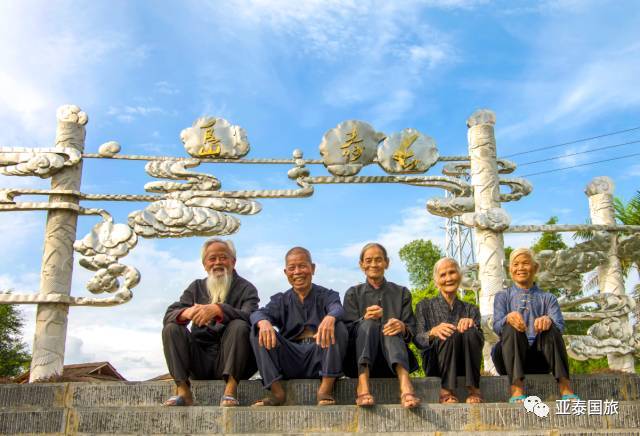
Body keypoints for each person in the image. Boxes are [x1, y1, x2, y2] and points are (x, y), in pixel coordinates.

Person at [162, 238, 259, 407]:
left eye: (223, 258)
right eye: (212, 259)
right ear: (204, 265)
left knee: (239, 325)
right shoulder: (196, 287)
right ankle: (183, 391)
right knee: (171, 328)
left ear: (233, 262)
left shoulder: (246, 288)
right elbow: (170, 314)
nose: (218, 263)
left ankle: (230, 390)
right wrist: (187, 312)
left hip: (234, 359)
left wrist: (219, 310)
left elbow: (251, 316)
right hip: (200, 359)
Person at [250, 247, 348, 406]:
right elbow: (256, 313)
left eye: (302, 266)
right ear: (285, 272)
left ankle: (325, 390)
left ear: (313, 268)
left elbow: (337, 308)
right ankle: (277, 392)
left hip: (320, 356)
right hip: (291, 357)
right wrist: (263, 322)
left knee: (339, 325)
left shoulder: (327, 295)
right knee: (256, 329)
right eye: (292, 268)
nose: (297, 272)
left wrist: (330, 317)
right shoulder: (281, 300)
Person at [492, 248, 578, 403]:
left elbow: (560, 327)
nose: (520, 268)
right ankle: (516, 390)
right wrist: (508, 318)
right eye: (515, 264)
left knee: (551, 327)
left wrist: (548, 320)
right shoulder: (502, 296)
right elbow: (497, 326)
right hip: (509, 357)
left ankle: (566, 389)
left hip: (541, 358)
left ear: (535, 268)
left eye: (525, 263)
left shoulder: (548, 298)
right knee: (510, 326)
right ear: (510, 269)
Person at [343, 242, 421, 409]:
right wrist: (363, 319)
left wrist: (402, 326)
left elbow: (413, 330)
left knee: (391, 326)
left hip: (393, 362)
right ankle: (363, 385)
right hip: (360, 361)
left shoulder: (401, 293)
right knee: (369, 323)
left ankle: (406, 385)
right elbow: (346, 331)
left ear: (387, 262)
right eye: (368, 260)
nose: (373, 264)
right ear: (361, 264)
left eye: (378, 260)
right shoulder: (353, 293)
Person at [414, 257, 484, 404]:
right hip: (436, 363)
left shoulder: (471, 309)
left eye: (452, 272)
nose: (448, 278)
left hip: (464, 363)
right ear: (436, 281)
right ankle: (446, 390)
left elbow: (480, 342)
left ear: (459, 276)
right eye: (443, 275)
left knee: (471, 330)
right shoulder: (424, 306)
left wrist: (472, 326)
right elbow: (418, 340)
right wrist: (433, 332)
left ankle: (473, 389)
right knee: (446, 332)